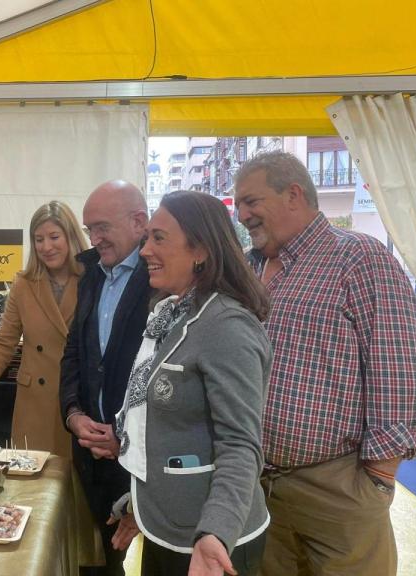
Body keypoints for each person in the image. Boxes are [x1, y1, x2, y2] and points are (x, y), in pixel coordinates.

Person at [233, 151, 416, 575]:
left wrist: (377, 477)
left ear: (293, 194)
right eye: (238, 203)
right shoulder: (249, 268)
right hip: (256, 486)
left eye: (251, 201)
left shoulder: (357, 257)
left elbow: (397, 367)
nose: (241, 213)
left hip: (336, 485)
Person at [110, 191, 272, 576]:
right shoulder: (173, 315)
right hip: (168, 525)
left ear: (200, 249)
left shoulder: (227, 326)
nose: (145, 249)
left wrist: (216, 532)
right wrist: (141, 502)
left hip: (210, 542)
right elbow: (169, 430)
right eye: (146, 237)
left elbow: (241, 445)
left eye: (159, 238)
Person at [60, 180, 155, 575]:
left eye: (102, 227)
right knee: (105, 558)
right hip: (92, 454)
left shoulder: (161, 274)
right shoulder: (92, 276)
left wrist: (126, 441)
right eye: (89, 229)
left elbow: (161, 375)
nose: (95, 238)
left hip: (141, 460)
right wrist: (71, 414)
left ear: (138, 222)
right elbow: (76, 353)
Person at [0, 200, 89, 458]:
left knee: (75, 488)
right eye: (38, 239)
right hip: (34, 405)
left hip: (78, 404)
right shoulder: (24, 284)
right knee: (33, 487)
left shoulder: (93, 279)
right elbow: (4, 342)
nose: (46, 247)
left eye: (54, 237)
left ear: (71, 236)